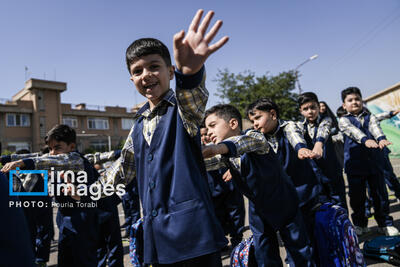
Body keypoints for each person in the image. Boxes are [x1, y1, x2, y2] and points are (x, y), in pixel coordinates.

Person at [76, 10, 229, 266]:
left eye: (154, 67)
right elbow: (122, 169)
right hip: (157, 237)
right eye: (138, 71)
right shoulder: (139, 123)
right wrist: (87, 193)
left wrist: (190, 74)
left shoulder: (182, 110)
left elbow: (193, 97)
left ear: (170, 71)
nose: (146, 74)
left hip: (193, 234)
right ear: (132, 79)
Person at [202, 104, 314, 267]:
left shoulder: (255, 138)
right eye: (206, 128)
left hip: (283, 201)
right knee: (264, 252)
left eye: (212, 125)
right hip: (257, 208)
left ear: (233, 123)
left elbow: (240, 144)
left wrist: (215, 149)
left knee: (299, 251)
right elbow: (202, 163)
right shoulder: (224, 157)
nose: (209, 132)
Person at [2, 125, 100, 266]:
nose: (52, 153)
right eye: (50, 148)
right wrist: (6, 159)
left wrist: (22, 163)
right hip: (66, 223)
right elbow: (37, 156)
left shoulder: (75, 159)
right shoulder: (55, 157)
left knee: (83, 261)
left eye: (57, 148)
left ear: (72, 146)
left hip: (83, 225)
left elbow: (53, 161)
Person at [246, 98, 325, 263]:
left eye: (258, 118)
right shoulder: (257, 138)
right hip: (283, 198)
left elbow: (294, 136)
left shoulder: (289, 126)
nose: (254, 124)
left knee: (308, 237)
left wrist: (301, 148)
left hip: (303, 193)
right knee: (293, 238)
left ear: (273, 114)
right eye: (252, 121)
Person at [338, 86, 398, 236]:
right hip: (354, 165)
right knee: (357, 198)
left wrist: (381, 139)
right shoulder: (343, 120)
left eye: (357, 99)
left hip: (374, 162)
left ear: (362, 101)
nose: (354, 102)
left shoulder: (369, 116)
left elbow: (375, 127)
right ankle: (360, 224)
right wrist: (365, 140)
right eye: (350, 100)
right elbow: (354, 132)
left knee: (380, 195)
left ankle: (385, 223)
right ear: (344, 105)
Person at [298, 92, 347, 210]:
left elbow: (323, 131)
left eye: (313, 107)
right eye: (306, 109)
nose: (310, 111)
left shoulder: (326, 120)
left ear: (318, 107)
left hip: (332, 171)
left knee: (339, 203)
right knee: (322, 206)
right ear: (301, 111)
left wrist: (319, 144)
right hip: (314, 175)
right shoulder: (299, 127)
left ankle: (344, 228)